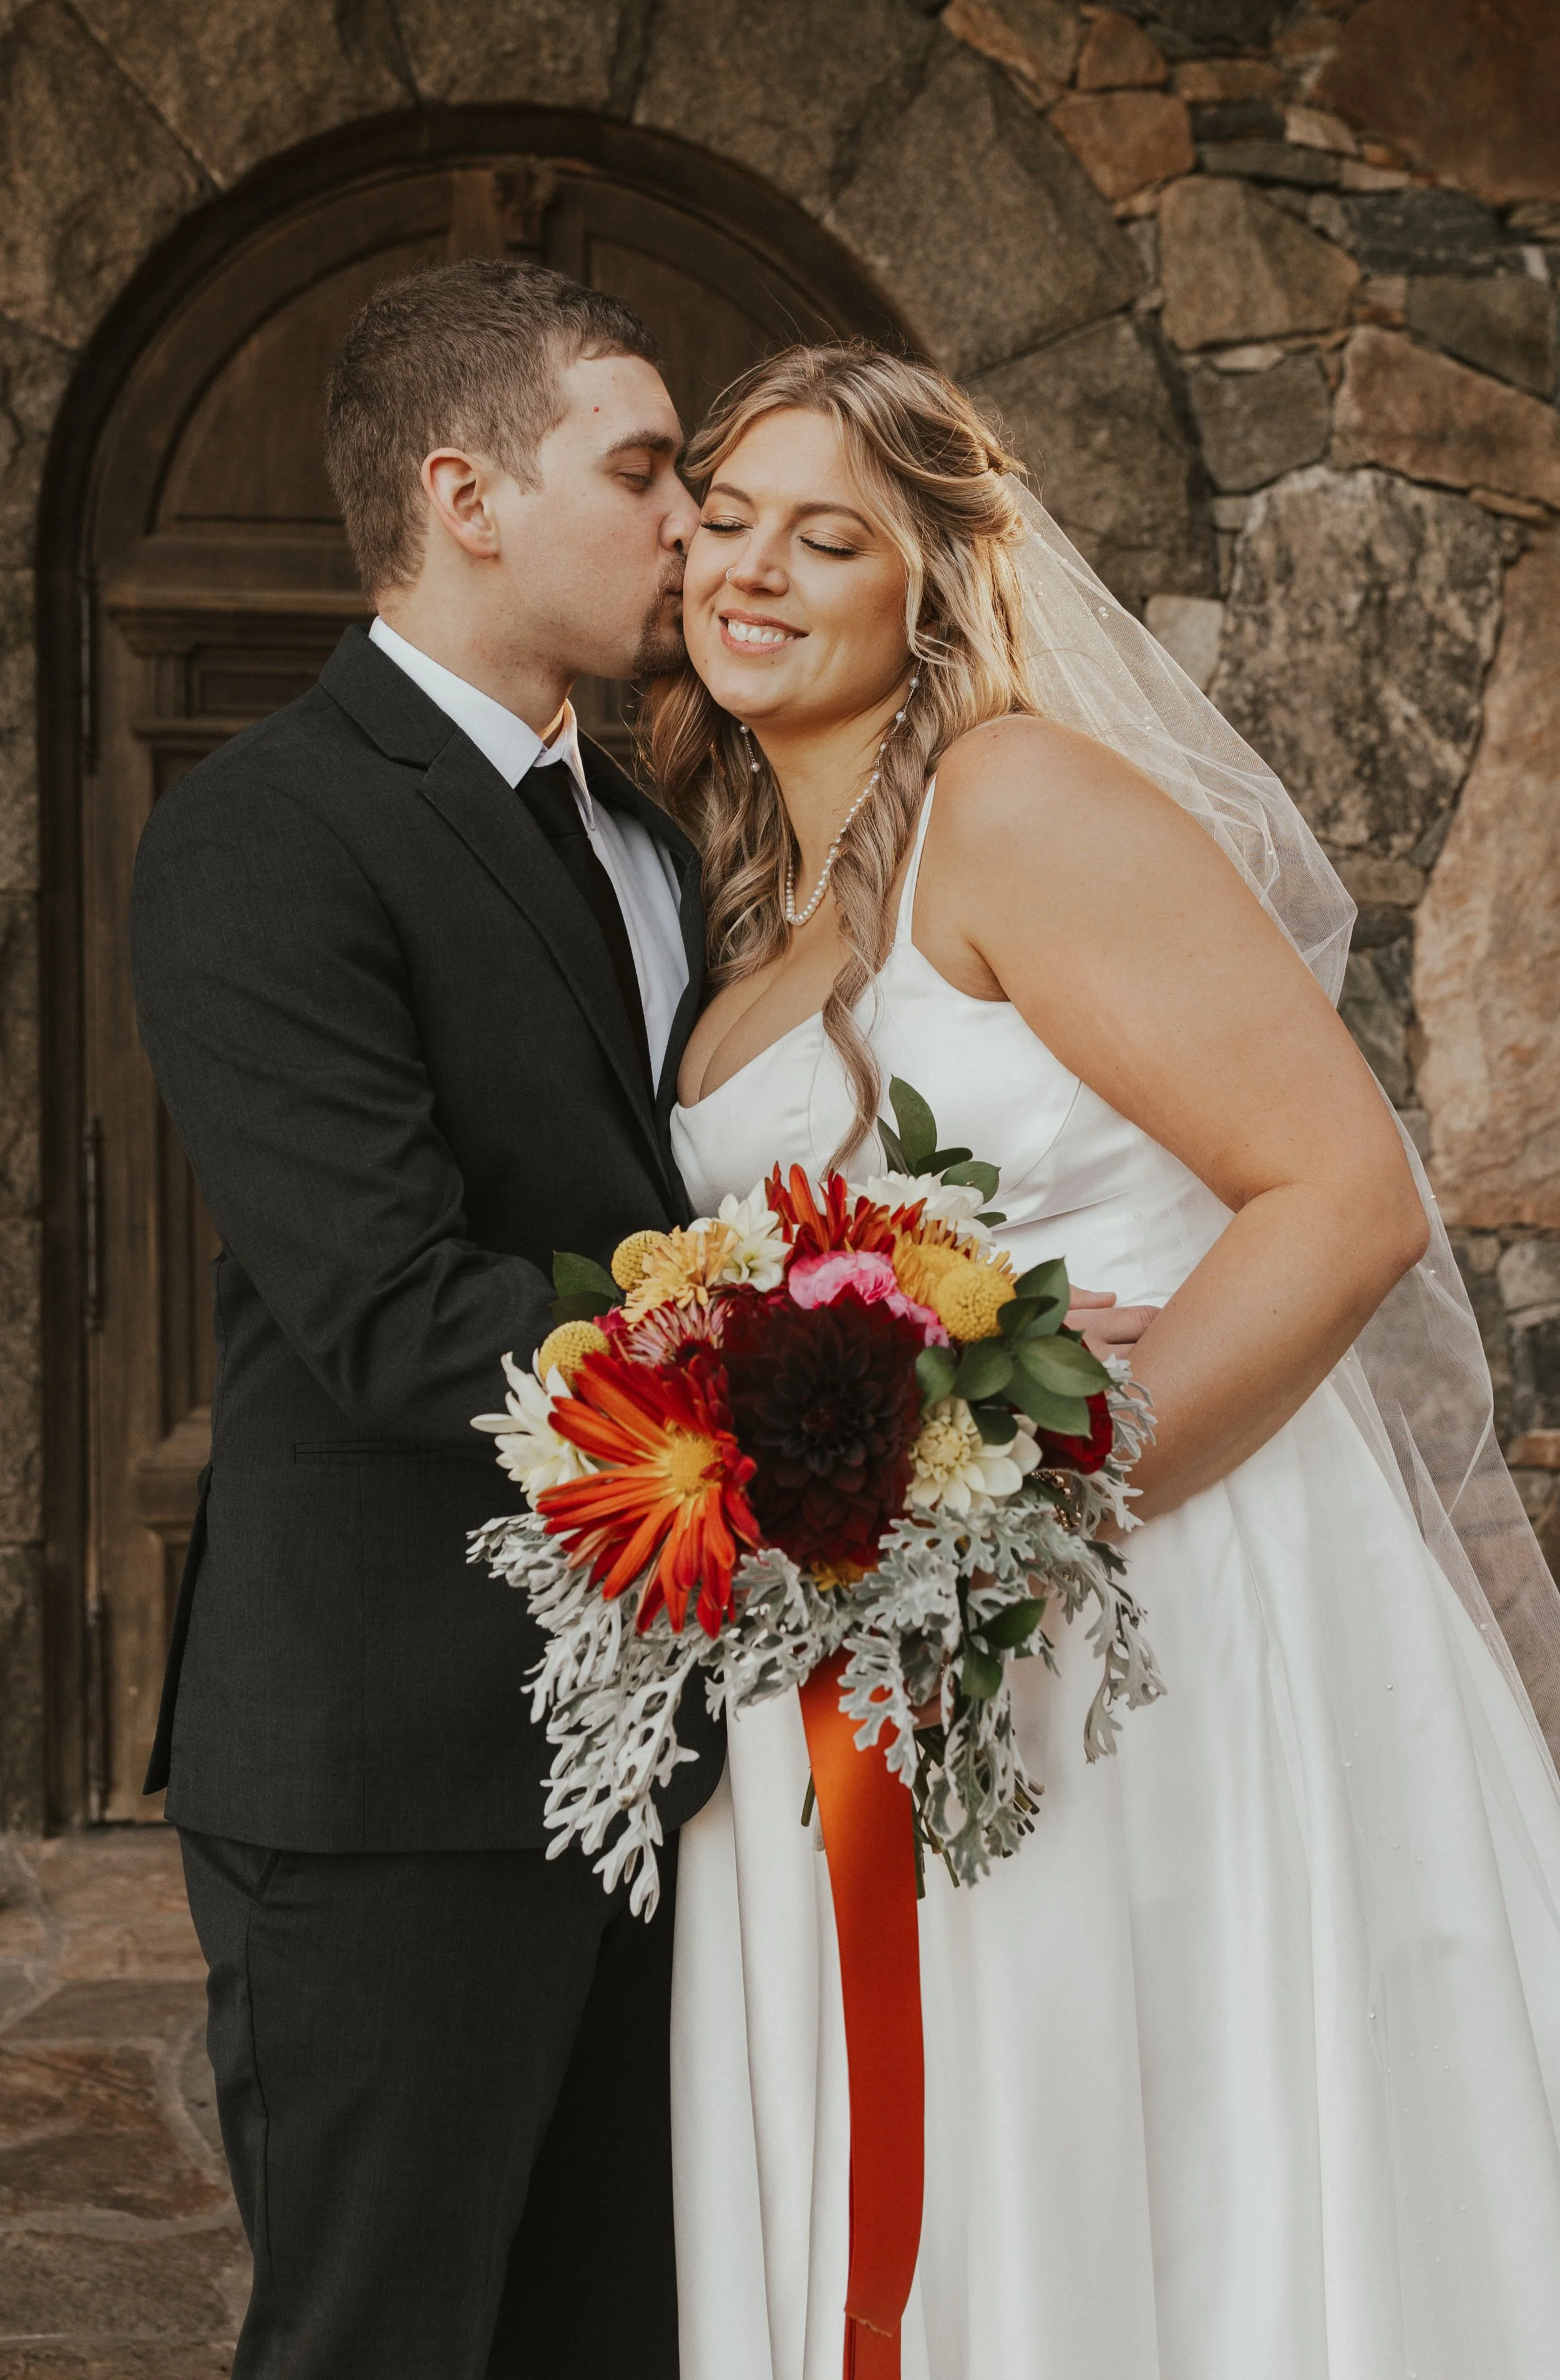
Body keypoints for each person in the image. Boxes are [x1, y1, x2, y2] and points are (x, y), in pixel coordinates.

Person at [653, 342, 1560, 2380]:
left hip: (1140, 1596)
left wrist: (1017, 1511)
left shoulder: (1016, 797)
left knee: (1169, 2149)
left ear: (934, 585)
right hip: (873, 1631)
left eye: (828, 537)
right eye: (725, 525)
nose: (756, 573)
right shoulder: (755, 902)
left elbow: (1340, 1192)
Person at [130, 259, 721, 2380]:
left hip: (665, 1747)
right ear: (466, 494)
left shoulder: (652, 825)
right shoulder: (263, 830)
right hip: (388, 1757)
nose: (693, 522)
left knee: (620, 2334)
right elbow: (391, 1309)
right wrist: (830, 1377)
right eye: (644, 469)